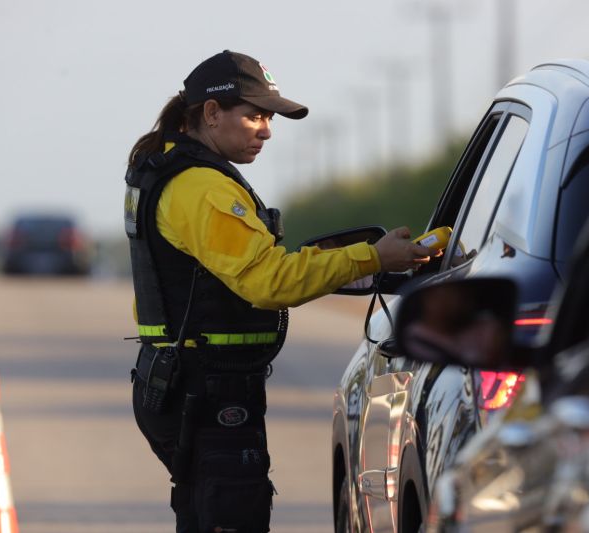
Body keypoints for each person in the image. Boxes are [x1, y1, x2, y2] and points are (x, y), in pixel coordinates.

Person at [124, 50, 434, 533]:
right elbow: (269, 280)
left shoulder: (169, 168)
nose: (267, 131)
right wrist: (373, 258)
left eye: (269, 118)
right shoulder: (201, 187)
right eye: (255, 115)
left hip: (182, 383)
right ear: (211, 112)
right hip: (206, 390)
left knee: (205, 514)